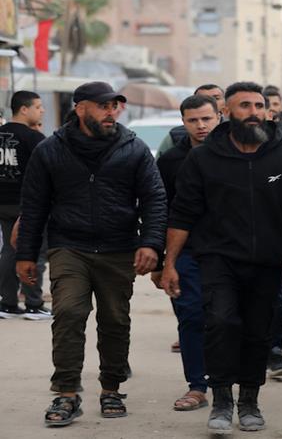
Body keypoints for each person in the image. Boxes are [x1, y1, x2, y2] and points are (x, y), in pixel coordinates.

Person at [161, 82, 282, 434]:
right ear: (226, 113)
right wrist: (169, 263)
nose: (253, 112)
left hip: (268, 260)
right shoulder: (203, 158)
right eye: (244, 105)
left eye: (258, 105)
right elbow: (182, 213)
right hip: (217, 258)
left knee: (257, 331)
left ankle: (249, 400)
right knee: (220, 322)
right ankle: (221, 400)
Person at [16, 82, 168, 427]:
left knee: (115, 319)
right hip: (69, 245)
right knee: (69, 313)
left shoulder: (134, 149)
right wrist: (26, 253)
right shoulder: (50, 149)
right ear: (81, 108)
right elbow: (34, 204)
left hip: (119, 247)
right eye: (103, 106)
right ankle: (66, 393)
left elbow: (155, 198)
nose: (111, 112)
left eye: (115, 106)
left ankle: (111, 388)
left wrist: (150, 244)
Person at [153, 94, 219, 412]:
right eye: (193, 120)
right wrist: (160, 260)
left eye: (206, 118)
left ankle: (236, 382)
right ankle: (197, 385)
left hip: (231, 250)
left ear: (219, 117)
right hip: (186, 250)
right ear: (183, 122)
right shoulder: (169, 161)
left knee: (228, 318)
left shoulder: (238, 153)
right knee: (191, 315)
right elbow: (158, 209)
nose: (201, 125)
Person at [0, 90, 48, 320]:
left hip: (3, 202)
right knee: (33, 250)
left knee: (9, 251)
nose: (42, 111)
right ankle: (33, 304)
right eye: (38, 107)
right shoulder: (33, 138)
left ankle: (8, 303)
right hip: (28, 204)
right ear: (24, 109)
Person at [158, 84, 226, 155]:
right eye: (193, 120)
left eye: (216, 98)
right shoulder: (175, 137)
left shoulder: (232, 137)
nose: (201, 126)